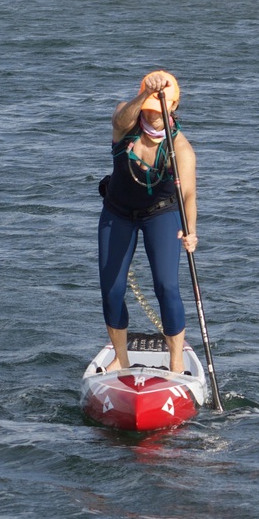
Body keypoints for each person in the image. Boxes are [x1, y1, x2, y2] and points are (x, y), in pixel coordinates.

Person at [97, 69, 197, 374]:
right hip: (118, 212)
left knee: (166, 286)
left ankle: (176, 363)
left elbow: (189, 195)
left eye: (159, 108)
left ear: (173, 107)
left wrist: (191, 232)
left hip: (160, 214)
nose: (153, 114)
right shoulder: (125, 124)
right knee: (112, 289)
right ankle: (120, 357)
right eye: (148, 108)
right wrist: (144, 94)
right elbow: (118, 119)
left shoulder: (181, 149)